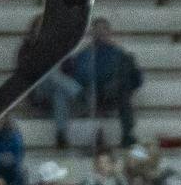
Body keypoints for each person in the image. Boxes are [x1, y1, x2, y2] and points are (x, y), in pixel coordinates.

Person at [41, 17, 142, 149]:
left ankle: (128, 135)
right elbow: (71, 72)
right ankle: (62, 133)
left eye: (103, 31)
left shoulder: (120, 54)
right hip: (86, 92)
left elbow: (137, 80)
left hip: (110, 94)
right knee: (57, 86)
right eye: (97, 31)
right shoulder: (85, 53)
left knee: (123, 86)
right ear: (92, 33)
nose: (100, 34)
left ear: (109, 33)